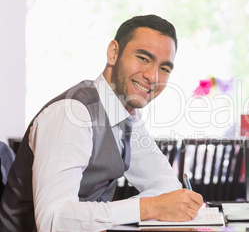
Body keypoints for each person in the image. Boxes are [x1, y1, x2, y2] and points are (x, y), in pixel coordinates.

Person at [0, 14, 203, 231]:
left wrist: (159, 205)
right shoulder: (71, 114)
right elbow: (53, 220)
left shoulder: (126, 115)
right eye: (143, 58)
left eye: (164, 68)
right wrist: (148, 207)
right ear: (113, 53)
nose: (153, 76)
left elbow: (166, 185)